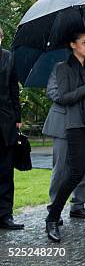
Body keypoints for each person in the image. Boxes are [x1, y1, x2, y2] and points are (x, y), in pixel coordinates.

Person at [45, 32, 85, 242]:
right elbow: (64, 97)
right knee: (75, 173)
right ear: (73, 45)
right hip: (75, 126)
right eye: (84, 43)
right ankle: (52, 218)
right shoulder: (63, 68)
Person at [43, 63, 85, 222]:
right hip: (62, 122)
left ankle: (78, 205)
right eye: (84, 43)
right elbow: (52, 92)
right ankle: (54, 208)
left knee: (83, 167)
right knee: (61, 167)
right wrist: (76, 94)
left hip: (84, 123)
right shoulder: (60, 68)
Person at [0, 27, 24, 230]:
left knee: (6, 171)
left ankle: (5, 215)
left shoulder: (9, 58)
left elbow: (14, 89)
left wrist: (17, 117)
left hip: (6, 123)